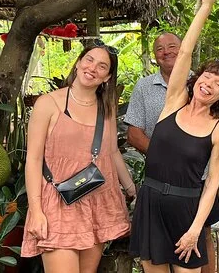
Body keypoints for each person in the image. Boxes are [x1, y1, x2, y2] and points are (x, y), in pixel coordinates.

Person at [129, 0, 219, 273]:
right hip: (151, 201)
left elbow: (212, 184)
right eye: (206, 77)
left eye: (218, 84)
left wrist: (195, 229)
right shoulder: (174, 101)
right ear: (196, 78)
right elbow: (185, 51)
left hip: (186, 208)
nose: (209, 84)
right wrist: (206, 4)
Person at [22, 40, 135, 272]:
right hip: (57, 202)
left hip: (96, 201)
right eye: (89, 60)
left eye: (102, 66)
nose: (92, 68)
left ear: (107, 77)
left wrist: (133, 191)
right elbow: (33, 160)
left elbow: (112, 152)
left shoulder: (106, 108)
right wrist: (36, 211)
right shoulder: (48, 104)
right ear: (78, 63)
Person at [126, 31, 219, 273]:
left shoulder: (201, 86)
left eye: (172, 46)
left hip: (194, 186)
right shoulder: (161, 94)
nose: (166, 52)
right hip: (156, 188)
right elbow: (133, 132)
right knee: (154, 260)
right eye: (160, 48)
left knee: (201, 239)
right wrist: (166, 156)